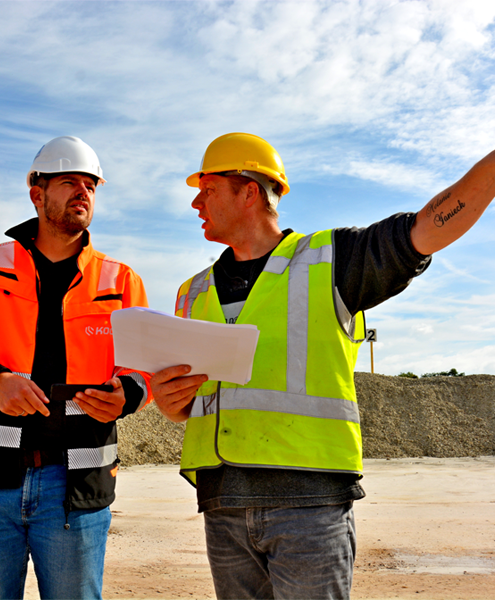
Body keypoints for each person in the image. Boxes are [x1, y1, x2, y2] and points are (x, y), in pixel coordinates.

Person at [151, 132, 495, 600]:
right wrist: (171, 404)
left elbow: (428, 228)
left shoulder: (330, 261)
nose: (196, 202)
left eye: (207, 188)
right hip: (222, 504)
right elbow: (189, 402)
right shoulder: (193, 292)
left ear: (248, 190)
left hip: (309, 508)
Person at [0, 136, 151, 600]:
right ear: (37, 192)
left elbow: (144, 369)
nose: (83, 192)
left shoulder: (120, 280)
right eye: (69, 182)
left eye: (90, 184)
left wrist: (126, 395)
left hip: (76, 492)